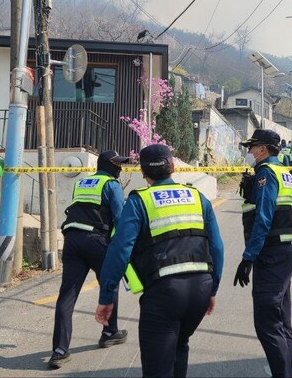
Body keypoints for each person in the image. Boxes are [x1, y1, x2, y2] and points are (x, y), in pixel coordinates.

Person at [95, 144, 224, 377]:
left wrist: (106, 296)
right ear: (172, 167)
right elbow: (217, 247)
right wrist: (212, 289)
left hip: (164, 293)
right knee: (180, 346)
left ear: (143, 173)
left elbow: (120, 249)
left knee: (157, 367)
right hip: (199, 290)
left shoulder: (139, 201)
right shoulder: (197, 197)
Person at [48, 150, 130, 369]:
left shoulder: (83, 182)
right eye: (118, 164)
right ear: (109, 165)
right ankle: (109, 332)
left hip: (73, 240)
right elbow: (120, 219)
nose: (120, 168)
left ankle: (59, 350)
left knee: (67, 295)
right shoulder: (111, 185)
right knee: (110, 285)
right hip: (97, 242)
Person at [235, 129, 292, 378]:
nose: (249, 152)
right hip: (284, 252)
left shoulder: (265, 173)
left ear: (263, 149)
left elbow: (264, 217)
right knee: (281, 323)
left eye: (252, 147)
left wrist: (247, 257)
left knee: (268, 325)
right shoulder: (284, 171)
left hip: (270, 254)